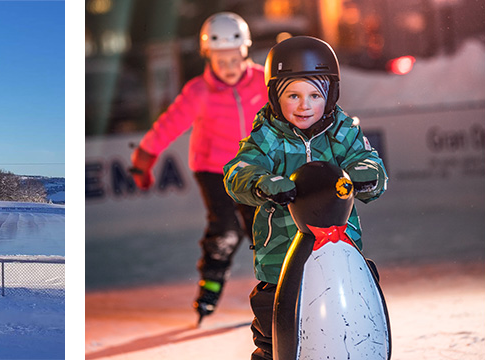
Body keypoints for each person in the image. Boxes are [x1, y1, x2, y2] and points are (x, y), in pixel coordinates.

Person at [223, 35, 389, 360]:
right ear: (274, 96)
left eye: (315, 95)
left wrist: (365, 175)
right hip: (280, 262)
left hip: (339, 254)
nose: (305, 105)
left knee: (352, 325)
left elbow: (369, 162)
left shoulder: (343, 132)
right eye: (293, 95)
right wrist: (262, 182)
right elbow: (237, 171)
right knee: (276, 338)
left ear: (331, 94)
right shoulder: (266, 137)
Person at [128, 12, 265, 322]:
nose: (228, 68)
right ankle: (211, 285)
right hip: (214, 169)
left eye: (234, 60)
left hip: (256, 167)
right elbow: (169, 124)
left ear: (245, 53)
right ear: (208, 57)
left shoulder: (263, 80)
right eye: (220, 61)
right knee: (227, 228)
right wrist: (144, 157)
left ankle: (278, 281)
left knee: (263, 226)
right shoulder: (198, 92)